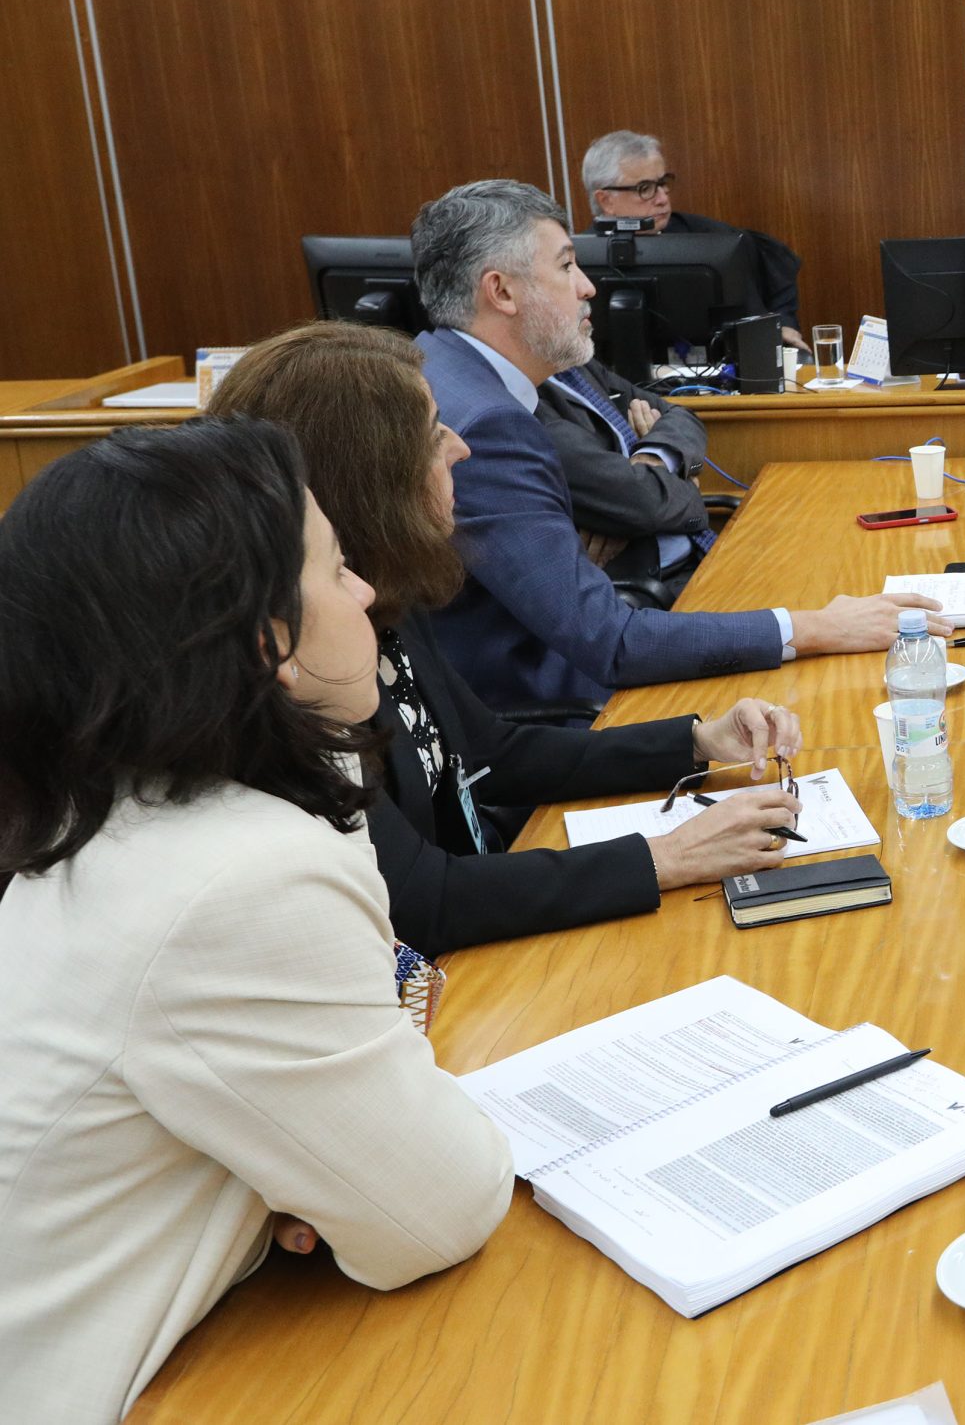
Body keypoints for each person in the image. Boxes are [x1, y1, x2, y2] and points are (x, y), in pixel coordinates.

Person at [0, 420, 515, 1425]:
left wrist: (282, 1183)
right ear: (267, 642)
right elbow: (442, 1210)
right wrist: (296, 1185)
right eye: (337, 570)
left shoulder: (97, 805)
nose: (368, 594)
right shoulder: (238, 875)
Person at [211, 322, 810, 959]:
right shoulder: (305, 653)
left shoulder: (382, 592)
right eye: (432, 430)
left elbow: (493, 751)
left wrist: (694, 741)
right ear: (372, 476)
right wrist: (665, 857)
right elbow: (419, 899)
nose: (459, 449)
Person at [411, 179, 949, 714]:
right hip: (563, 711)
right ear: (501, 292)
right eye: (566, 265)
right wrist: (817, 628)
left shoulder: (437, 368)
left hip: (591, 649)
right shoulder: (485, 426)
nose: (588, 287)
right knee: (842, 704)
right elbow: (610, 641)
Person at [583, 128, 807, 347]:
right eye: (645, 188)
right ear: (606, 201)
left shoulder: (714, 239)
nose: (662, 198)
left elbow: (771, 290)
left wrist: (783, 325)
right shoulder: (576, 257)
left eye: (662, 183)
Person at [536, 346, 725, 592]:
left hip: (701, 554)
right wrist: (687, 485)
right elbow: (646, 503)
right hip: (649, 590)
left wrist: (654, 459)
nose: (587, 304)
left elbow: (683, 416)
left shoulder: (574, 365)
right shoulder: (520, 397)